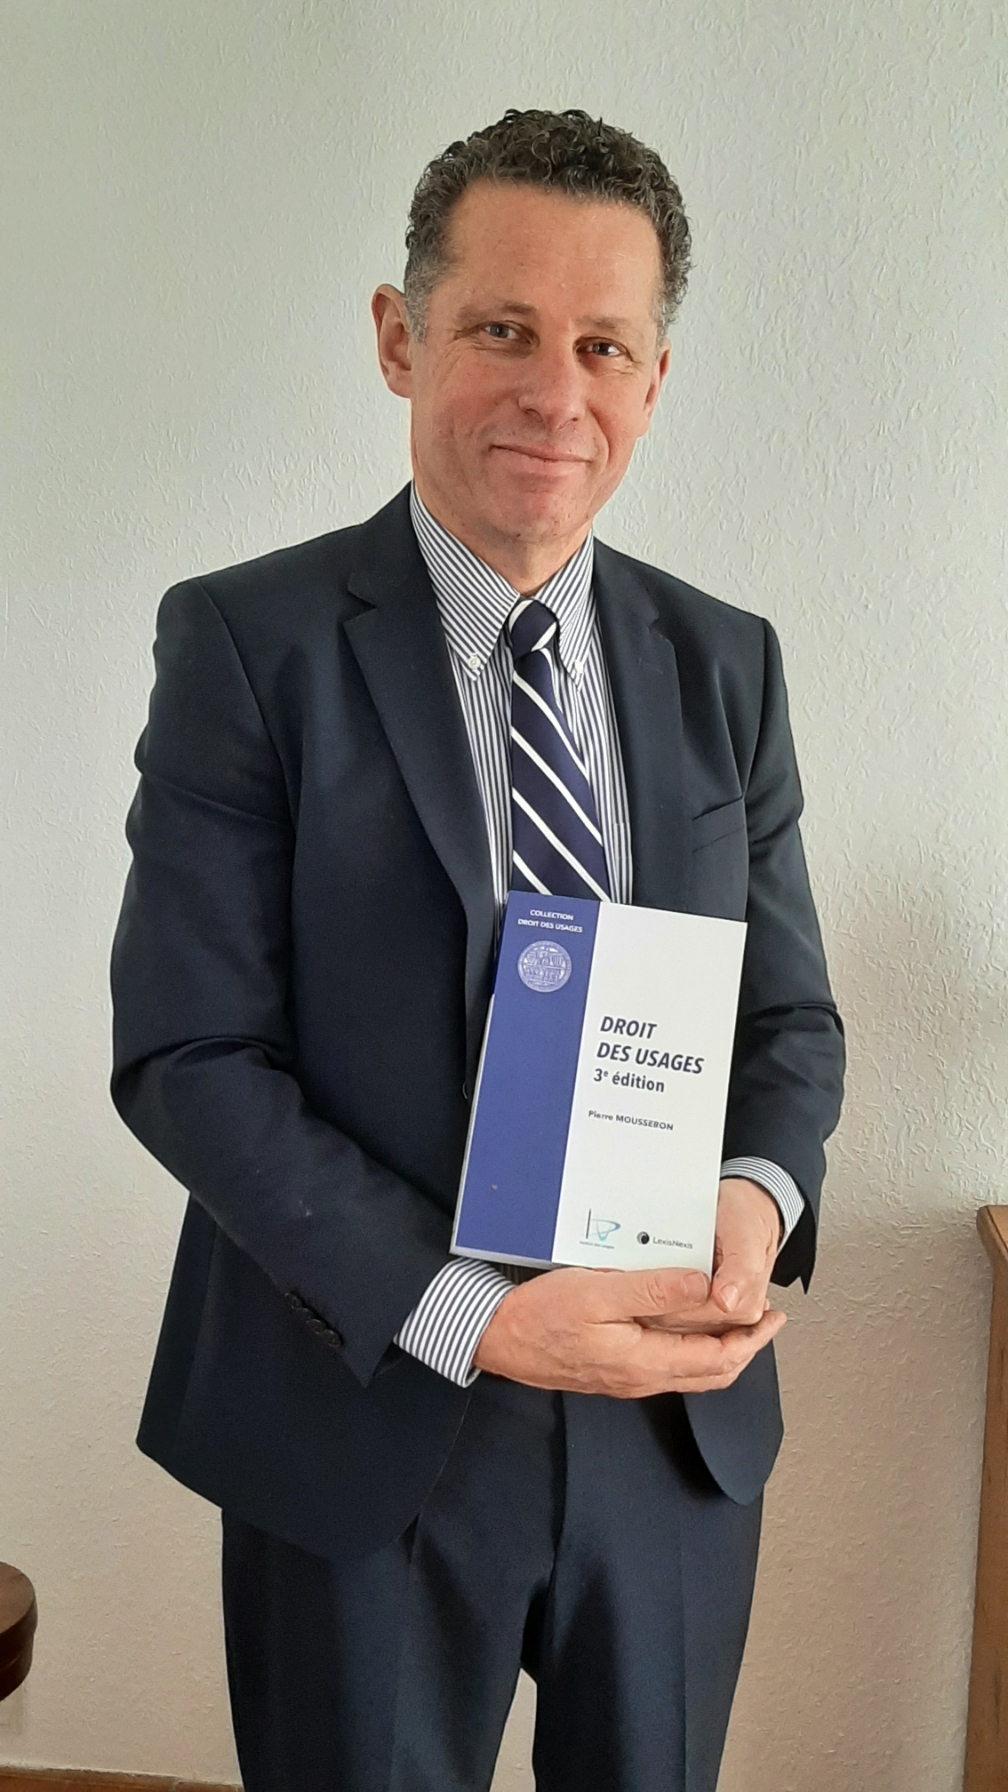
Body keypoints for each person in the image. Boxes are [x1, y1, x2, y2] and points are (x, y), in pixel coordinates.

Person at [111, 107, 845, 1792]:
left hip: (668, 1434)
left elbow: (790, 1021)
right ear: (400, 336)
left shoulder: (726, 664)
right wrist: (475, 1318)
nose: (554, 394)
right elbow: (189, 1056)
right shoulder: (248, 646)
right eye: (503, 329)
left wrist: (752, 1205)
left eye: (603, 345)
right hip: (365, 1409)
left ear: (655, 378)